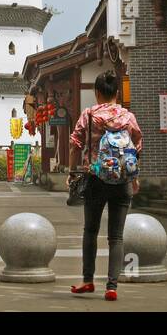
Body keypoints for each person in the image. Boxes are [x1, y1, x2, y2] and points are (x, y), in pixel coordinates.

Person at [67, 71, 143, 301]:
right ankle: (112, 286)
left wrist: (72, 174)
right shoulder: (128, 117)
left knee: (90, 231)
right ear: (117, 93)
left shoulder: (89, 115)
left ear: (97, 92)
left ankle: (88, 280)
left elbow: (74, 145)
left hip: (95, 178)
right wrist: (134, 177)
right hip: (123, 181)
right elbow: (137, 146)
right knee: (116, 236)